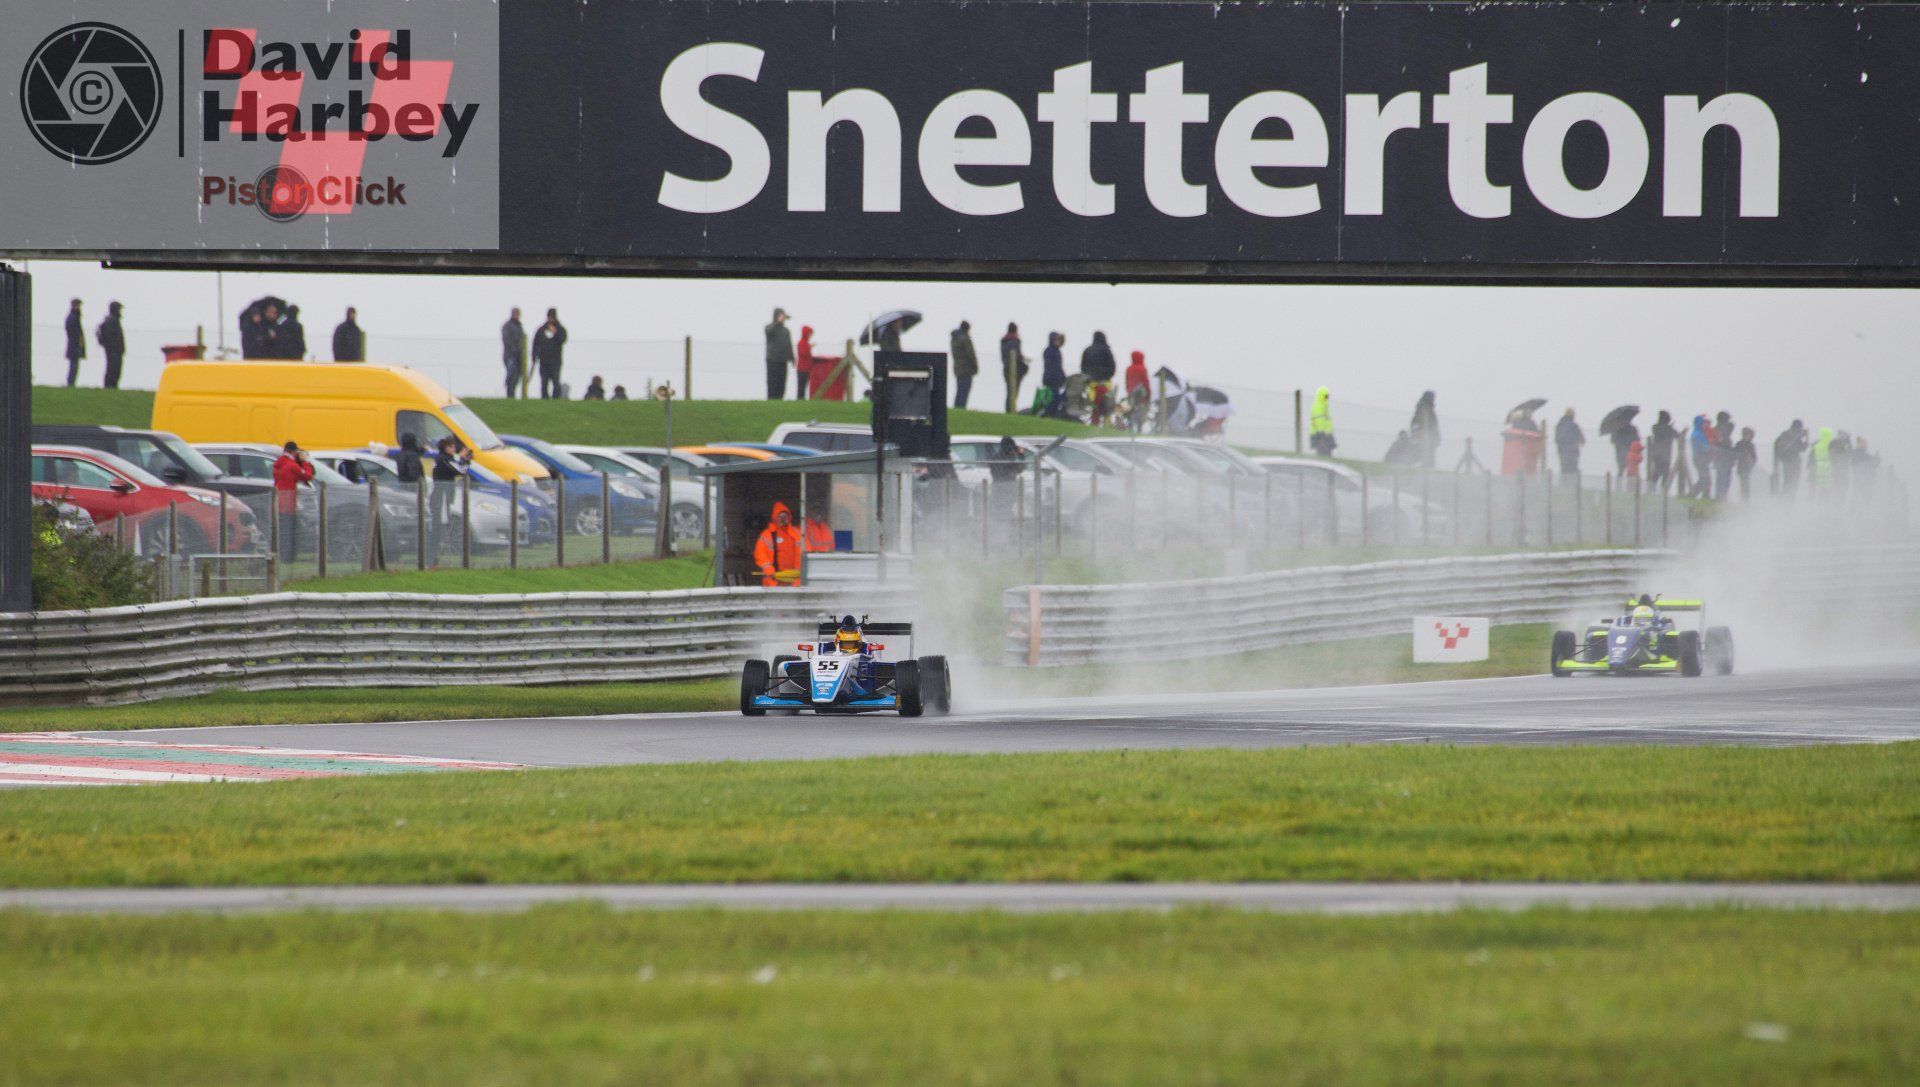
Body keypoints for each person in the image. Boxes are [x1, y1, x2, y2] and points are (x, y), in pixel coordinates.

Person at [271, 441, 315, 563]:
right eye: (296, 452)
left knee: (281, 531)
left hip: (278, 501)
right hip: (288, 503)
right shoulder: (291, 465)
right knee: (288, 531)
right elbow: (308, 476)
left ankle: (281, 556)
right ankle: (287, 558)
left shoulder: (278, 463)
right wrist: (305, 461)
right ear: (292, 451)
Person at [430, 436, 472, 555]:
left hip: (445, 494)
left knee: (444, 518)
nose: (454, 449)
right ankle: (438, 547)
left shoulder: (447, 459)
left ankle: (439, 546)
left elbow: (460, 469)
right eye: (452, 446)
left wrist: (464, 459)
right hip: (441, 495)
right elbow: (461, 470)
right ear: (446, 447)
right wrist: (464, 459)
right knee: (442, 520)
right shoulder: (443, 459)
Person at [752, 501, 804, 587]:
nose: (783, 519)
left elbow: (807, 551)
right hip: (774, 580)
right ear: (774, 518)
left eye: (785, 516)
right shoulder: (768, 534)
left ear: (789, 517)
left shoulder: (797, 534)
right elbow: (760, 553)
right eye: (780, 516)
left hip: (795, 580)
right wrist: (768, 568)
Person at [532, 308, 567, 399]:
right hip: (543, 360)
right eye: (549, 316)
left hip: (555, 360)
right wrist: (534, 356)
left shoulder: (560, 329)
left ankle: (556, 399)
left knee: (556, 381)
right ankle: (545, 399)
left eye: (552, 317)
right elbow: (535, 343)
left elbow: (563, 339)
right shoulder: (541, 329)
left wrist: (555, 333)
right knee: (544, 382)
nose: (550, 319)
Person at [764, 307, 794, 399]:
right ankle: (771, 399)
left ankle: (780, 398)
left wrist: (792, 358)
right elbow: (768, 332)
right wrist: (777, 322)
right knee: (773, 382)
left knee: (782, 382)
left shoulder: (786, 330)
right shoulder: (769, 327)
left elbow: (789, 345)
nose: (783, 319)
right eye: (781, 316)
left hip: (783, 360)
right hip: (772, 360)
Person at [1773, 420, 1808, 497]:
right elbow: (1803, 448)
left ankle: (1785, 500)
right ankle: (1789, 500)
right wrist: (1806, 438)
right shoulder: (1795, 435)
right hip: (1794, 462)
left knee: (1787, 482)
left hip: (1786, 462)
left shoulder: (1784, 434)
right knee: (1793, 483)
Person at [95, 301, 125, 390]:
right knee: (112, 369)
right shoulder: (111, 321)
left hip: (115, 351)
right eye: (119, 309)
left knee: (115, 369)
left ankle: (112, 387)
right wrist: (114, 349)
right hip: (113, 351)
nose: (120, 311)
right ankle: (110, 387)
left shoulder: (113, 320)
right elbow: (110, 337)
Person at [1647, 410, 1679, 491]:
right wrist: (1670, 427)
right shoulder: (1668, 429)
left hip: (1656, 455)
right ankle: (1662, 492)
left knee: (1656, 474)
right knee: (1664, 474)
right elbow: (1678, 436)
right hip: (1665, 456)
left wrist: (1669, 428)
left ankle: (1651, 491)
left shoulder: (1655, 427)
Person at [1408, 391, 1441, 468]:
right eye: (1432, 397)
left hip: (1428, 437)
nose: (1433, 399)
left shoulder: (1426, 408)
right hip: (1425, 437)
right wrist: (1417, 434)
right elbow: (1418, 422)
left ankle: (1425, 471)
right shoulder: (1424, 408)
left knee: (1426, 456)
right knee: (1424, 456)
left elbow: (1433, 425)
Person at [950, 320, 978, 409]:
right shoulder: (965, 339)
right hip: (966, 369)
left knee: (959, 391)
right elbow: (971, 354)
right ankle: (961, 408)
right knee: (964, 391)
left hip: (958, 368)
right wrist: (975, 367)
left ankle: (957, 408)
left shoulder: (954, 339)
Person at [501, 307, 528, 398]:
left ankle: (512, 396)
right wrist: (515, 350)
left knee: (517, 377)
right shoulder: (507, 326)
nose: (517, 315)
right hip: (510, 356)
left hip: (518, 357)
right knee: (511, 377)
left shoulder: (519, 326)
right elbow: (507, 340)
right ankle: (510, 396)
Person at [1000, 323, 1026, 414]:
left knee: (1009, 391)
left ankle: (1009, 409)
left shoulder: (1004, 341)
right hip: (1014, 371)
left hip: (1006, 369)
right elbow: (1017, 357)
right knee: (1013, 392)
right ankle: (1011, 410)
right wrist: (1024, 366)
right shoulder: (1014, 341)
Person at [1040, 332, 1067, 418]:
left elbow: (1059, 367)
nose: (1058, 342)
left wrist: (1063, 378)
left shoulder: (1057, 352)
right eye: (1056, 340)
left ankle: (1050, 414)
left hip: (1056, 380)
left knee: (1057, 399)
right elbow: (1052, 367)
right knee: (1055, 400)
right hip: (1051, 380)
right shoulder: (1049, 351)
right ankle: (1046, 414)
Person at [1688, 415, 1714, 498]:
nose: (1705, 425)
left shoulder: (1697, 433)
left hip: (1699, 458)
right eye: (1703, 423)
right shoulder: (1698, 434)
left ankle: (1696, 495)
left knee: (1704, 478)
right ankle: (1697, 495)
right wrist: (1710, 445)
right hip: (1700, 458)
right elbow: (1704, 448)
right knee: (1705, 479)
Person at [1553, 407, 1584, 479]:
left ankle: (1564, 485)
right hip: (1573, 452)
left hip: (1563, 452)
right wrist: (1580, 441)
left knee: (1564, 470)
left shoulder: (1560, 424)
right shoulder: (1574, 425)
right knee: (1573, 469)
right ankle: (1572, 485)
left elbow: (1557, 438)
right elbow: (1580, 437)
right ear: (1572, 415)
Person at [1712, 411, 1736, 499]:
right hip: (1721, 459)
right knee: (1722, 478)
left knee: (1726, 478)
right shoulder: (1718, 430)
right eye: (1727, 419)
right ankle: (1720, 497)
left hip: (1726, 459)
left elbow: (1731, 426)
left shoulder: (1722, 429)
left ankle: (1723, 496)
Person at [1123, 350, 1151, 429]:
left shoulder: (1129, 369)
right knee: (1141, 411)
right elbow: (1146, 382)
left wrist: (1128, 391)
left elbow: (1127, 381)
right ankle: (1139, 427)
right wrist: (1148, 394)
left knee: (1132, 410)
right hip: (1141, 395)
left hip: (1131, 394)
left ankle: (1131, 426)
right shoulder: (1142, 369)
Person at [1808, 426, 1835, 498]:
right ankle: (1823, 506)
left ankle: (1810, 506)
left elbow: (1810, 459)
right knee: (1824, 492)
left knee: (1812, 491)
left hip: (1815, 470)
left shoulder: (1816, 445)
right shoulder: (1831, 446)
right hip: (1827, 471)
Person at [63, 299, 85, 386]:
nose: (79, 307)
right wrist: (78, 343)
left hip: (74, 345)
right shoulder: (73, 317)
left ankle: (71, 383)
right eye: (78, 305)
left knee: (74, 366)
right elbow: (74, 333)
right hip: (74, 345)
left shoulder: (74, 317)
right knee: (74, 366)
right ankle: (71, 383)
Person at [1309, 386, 1336, 456]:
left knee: (1326, 453)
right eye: (1326, 396)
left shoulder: (1324, 405)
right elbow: (1319, 422)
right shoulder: (1319, 406)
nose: (1327, 398)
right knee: (1323, 453)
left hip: (1325, 434)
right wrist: (1321, 436)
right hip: (1321, 434)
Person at [1733, 427, 1758, 500]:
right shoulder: (1739, 444)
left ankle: (1746, 498)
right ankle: (1743, 498)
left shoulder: (1751, 445)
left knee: (1746, 483)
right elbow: (1735, 454)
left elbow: (1754, 457)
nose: (1748, 437)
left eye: (1750, 435)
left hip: (1748, 467)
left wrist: (1751, 464)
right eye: (1747, 435)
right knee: (1743, 483)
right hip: (1741, 467)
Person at [794, 325, 815, 400]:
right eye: (809, 334)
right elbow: (804, 354)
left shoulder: (805, 343)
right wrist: (809, 347)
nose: (810, 336)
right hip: (802, 369)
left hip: (807, 369)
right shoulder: (801, 343)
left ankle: (801, 399)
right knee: (801, 387)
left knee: (804, 386)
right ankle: (800, 399)